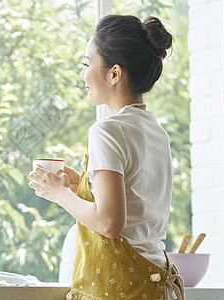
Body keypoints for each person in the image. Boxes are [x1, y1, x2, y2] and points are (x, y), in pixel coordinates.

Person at [28, 15, 185, 299]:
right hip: (154, 284)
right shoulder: (156, 132)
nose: (82, 75)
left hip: (123, 287)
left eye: (87, 64)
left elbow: (110, 223)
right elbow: (136, 207)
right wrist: (82, 187)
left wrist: (59, 193)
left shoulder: (107, 130)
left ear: (114, 73)